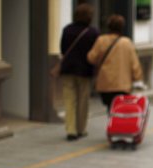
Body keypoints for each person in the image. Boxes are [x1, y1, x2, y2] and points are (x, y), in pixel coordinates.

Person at [58, 4, 99, 141]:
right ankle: (81, 129)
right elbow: (95, 53)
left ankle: (71, 130)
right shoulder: (93, 32)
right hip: (85, 71)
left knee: (69, 100)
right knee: (83, 101)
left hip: (68, 69)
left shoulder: (67, 30)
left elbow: (63, 50)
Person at [87, 14, 144, 109]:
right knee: (120, 109)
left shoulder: (101, 40)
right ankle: (117, 123)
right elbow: (135, 65)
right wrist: (138, 79)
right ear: (122, 27)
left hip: (105, 84)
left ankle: (112, 121)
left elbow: (91, 58)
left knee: (111, 107)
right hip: (123, 85)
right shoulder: (127, 42)